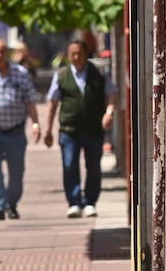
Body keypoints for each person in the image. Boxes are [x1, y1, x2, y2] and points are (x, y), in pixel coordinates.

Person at [43, 32, 116, 218]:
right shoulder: (61, 75)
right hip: (69, 130)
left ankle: (90, 201)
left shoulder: (98, 73)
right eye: (72, 54)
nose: (76, 57)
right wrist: (47, 129)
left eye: (79, 53)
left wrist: (109, 113)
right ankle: (74, 202)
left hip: (93, 129)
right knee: (69, 165)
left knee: (93, 166)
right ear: (68, 56)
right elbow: (52, 103)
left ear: (86, 53)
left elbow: (111, 94)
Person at [0, 38, 40, 221]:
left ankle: (12, 204)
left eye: (2, 52)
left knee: (16, 171)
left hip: (16, 130)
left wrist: (35, 123)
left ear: (7, 53)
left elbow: (30, 100)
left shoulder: (21, 73)